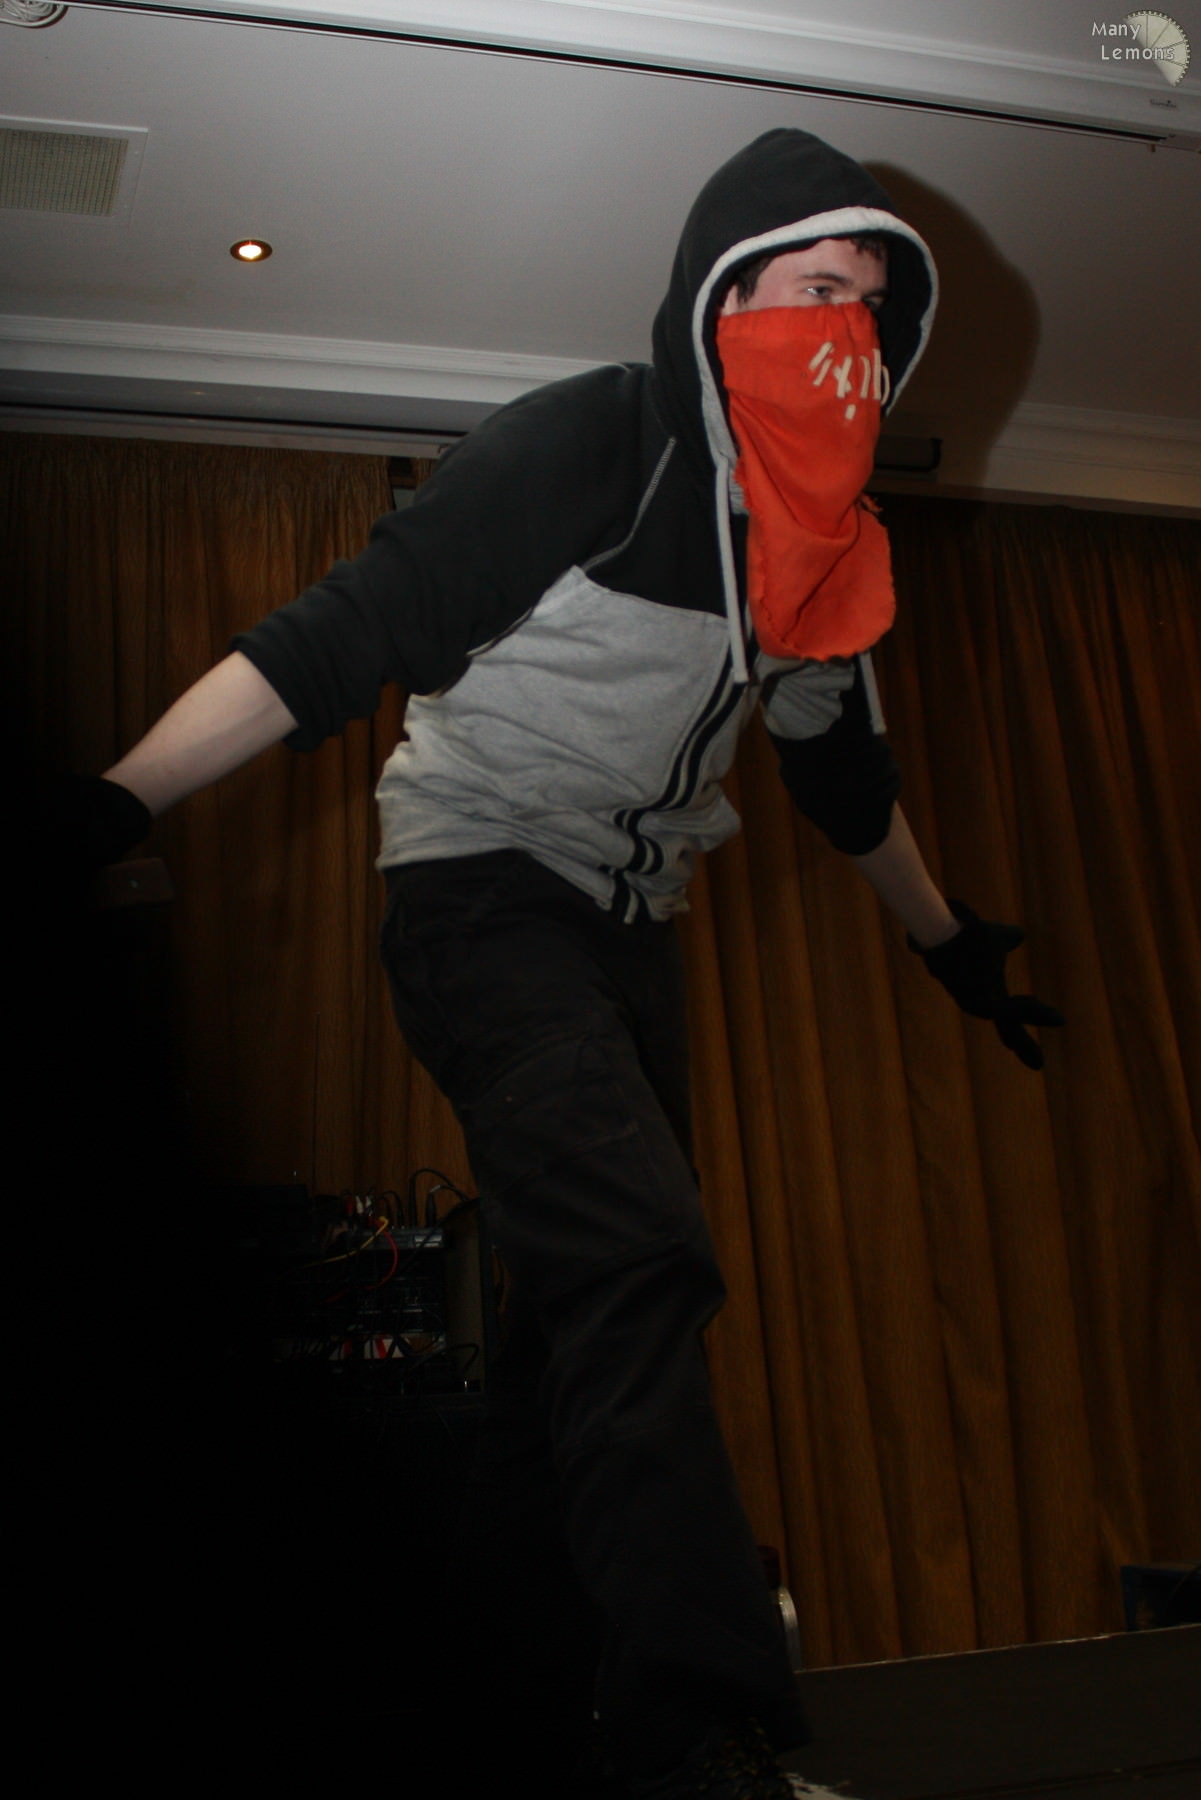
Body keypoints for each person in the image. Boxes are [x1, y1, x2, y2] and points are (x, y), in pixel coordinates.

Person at [83, 129, 1061, 1799]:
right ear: (719, 293)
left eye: (869, 307)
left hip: (631, 933)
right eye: (812, 286)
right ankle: (699, 1730)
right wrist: (107, 804)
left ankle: (528, 1704)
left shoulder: (819, 542)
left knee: (571, 1338)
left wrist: (950, 946)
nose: (843, 328)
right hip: (478, 892)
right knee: (637, 1258)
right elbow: (337, 636)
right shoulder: (596, 441)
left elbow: (840, 782)